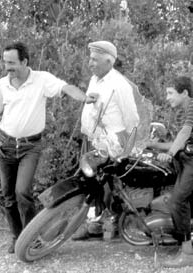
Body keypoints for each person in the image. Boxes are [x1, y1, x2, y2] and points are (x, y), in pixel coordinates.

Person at [0, 42, 86, 254]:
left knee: (22, 192)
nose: (7, 67)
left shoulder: (41, 80)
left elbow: (63, 87)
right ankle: (17, 237)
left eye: (12, 63)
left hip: (30, 146)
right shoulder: (1, 85)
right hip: (5, 145)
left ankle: (32, 238)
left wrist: (82, 97)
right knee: (7, 195)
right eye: (5, 62)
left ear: (24, 61)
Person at [71, 40, 140, 240]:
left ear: (109, 61)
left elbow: (132, 119)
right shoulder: (95, 80)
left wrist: (125, 146)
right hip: (93, 139)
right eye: (90, 58)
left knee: (106, 185)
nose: (90, 63)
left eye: (95, 59)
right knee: (89, 181)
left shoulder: (120, 85)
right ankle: (93, 222)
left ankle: (107, 222)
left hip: (111, 143)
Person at [147, 76, 193, 268]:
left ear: (184, 93)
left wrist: (169, 153)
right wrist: (152, 145)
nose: (167, 97)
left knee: (178, 199)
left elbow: (184, 134)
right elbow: (179, 142)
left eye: (170, 93)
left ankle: (188, 253)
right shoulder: (180, 113)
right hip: (186, 156)